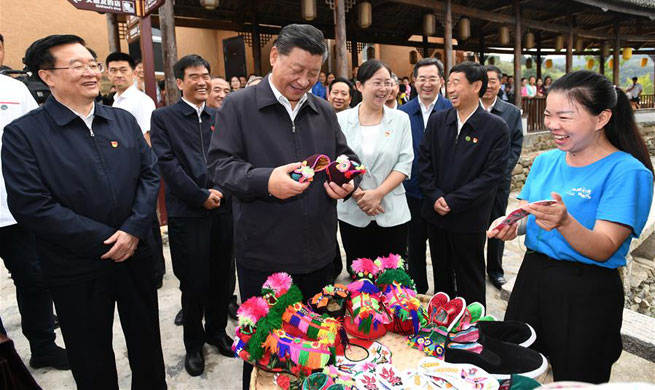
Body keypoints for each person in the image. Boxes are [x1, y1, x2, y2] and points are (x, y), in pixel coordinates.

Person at [2, 34, 166, 390]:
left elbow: (150, 173)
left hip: (135, 254)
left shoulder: (121, 121)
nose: (91, 72)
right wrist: (108, 239)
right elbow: (32, 205)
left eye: (92, 64)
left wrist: (135, 230)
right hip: (76, 266)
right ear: (47, 76)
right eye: (77, 66)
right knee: (90, 358)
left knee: (148, 348)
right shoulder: (23, 134)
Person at [206, 24, 359, 390]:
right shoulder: (239, 105)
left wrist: (347, 181)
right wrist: (265, 181)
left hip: (320, 253)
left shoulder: (322, 110)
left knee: (321, 347)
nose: (305, 81)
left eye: (313, 74)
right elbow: (219, 166)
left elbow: (344, 155)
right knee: (265, 351)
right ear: (275, 57)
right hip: (265, 256)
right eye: (297, 70)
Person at [489, 70, 654, 383]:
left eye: (565, 116)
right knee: (517, 369)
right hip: (533, 278)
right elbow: (534, 213)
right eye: (549, 115)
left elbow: (605, 247)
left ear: (602, 118)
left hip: (586, 290)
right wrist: (513, 223)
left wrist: (565, 222)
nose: (552, 124)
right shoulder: (546, 160)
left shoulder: (627, 172)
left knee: (579, 378)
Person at [150, 55, 234, 377]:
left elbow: (231, 157)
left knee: (221, 278)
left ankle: (216, 332)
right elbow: (167, 164)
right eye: (194, 76)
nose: (202, 81)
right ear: (179, 82)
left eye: (206, 75)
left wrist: (222, 191)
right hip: (188, 213)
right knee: (194, 282)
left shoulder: (220, 116)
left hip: (223, 208)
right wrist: (200, 196)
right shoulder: (164, 118)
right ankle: (194, 344)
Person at [419, 61, 509, 306]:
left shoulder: (495, 127)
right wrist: (434, 195)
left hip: (469, 218)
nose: (450, 89)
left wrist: (453, 201)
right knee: (441, 276)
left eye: (456, 83)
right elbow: (424, 162)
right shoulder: (438, 121)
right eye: (449, 83)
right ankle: (442, 325)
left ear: (477, 86)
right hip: (436, 215)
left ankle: (472, 332)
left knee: (470, 278)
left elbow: (492, 176)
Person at [0, 72, 70, 371]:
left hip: (15, 209)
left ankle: (43, 346)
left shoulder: (13, 90)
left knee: (34, 280)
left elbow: (40, 140)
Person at [336, 60, 413, 275]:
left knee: (393, 278)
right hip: (353, 212)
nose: (384, 89)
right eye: (377, 82)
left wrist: (377, 194)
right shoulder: (341, 120)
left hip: (391, 211)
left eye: (387, 83)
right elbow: (336, 164)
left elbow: (405, 162)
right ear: (359, 86)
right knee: (360, 279)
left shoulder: (400, 120)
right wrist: (358, 194)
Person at [106, 51, 166, 290]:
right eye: (114, 70)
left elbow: (147, 139)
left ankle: (156, 271)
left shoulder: (140, 101)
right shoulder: (115, 100)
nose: (118, 75)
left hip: (138, 170)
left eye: (123, 70)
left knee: (148, 220)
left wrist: (143, 172)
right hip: (120, 171)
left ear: (133, 72)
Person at [399, 57, 452, 294]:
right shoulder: (402, 113)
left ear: (442, 81)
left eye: (433, 78)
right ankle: (417, 295)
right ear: (414, 81)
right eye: (422, 79)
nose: (427, 84)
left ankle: (444, 299)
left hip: (442, 197)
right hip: (412, 193)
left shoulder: (452, 110)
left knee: (443, 252)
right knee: (414, 249)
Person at [481, 65, 523, 289]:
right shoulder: (470, 109)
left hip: (499, 181)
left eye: (493, 81)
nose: (488, 86)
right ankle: (474, 268)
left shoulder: (511, 112)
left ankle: (495, 270)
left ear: (500, 83)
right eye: (484, 81)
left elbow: (515, 147)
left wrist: (498, 173)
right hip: (471, 182)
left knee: (498, 224)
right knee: (474, 226)